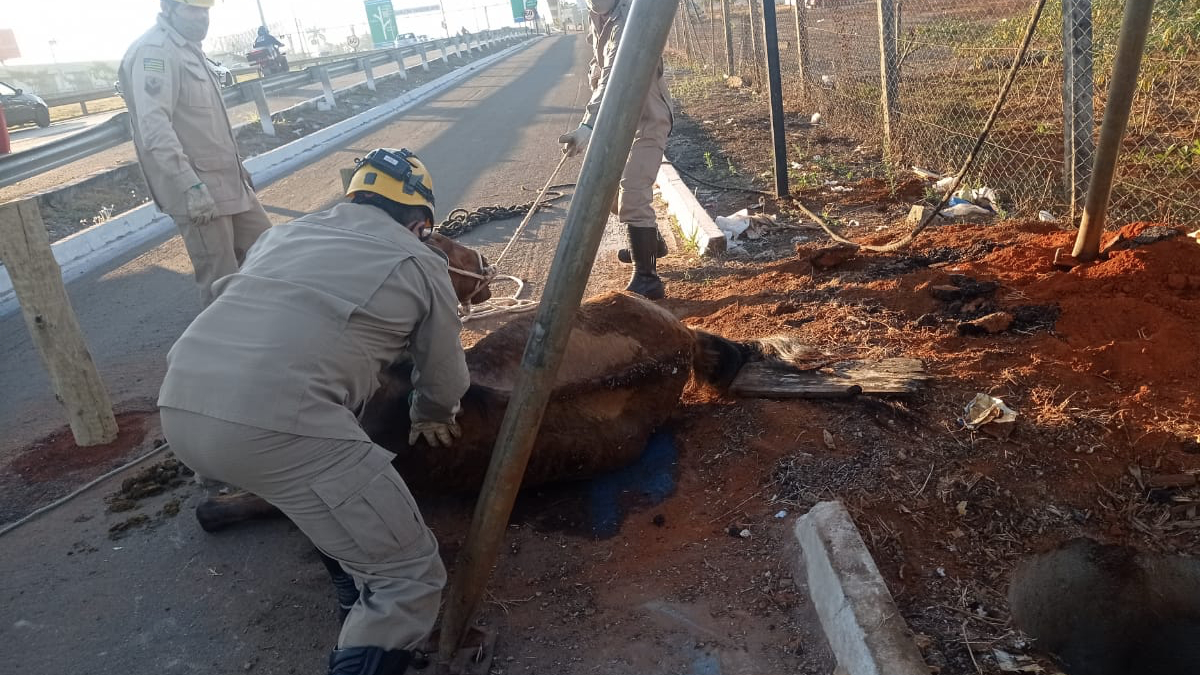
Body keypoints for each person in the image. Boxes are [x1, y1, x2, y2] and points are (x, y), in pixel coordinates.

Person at [158, 148, 469, 675]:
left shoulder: (282, 235)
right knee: (408, 577)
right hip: (278, 427)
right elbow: (443, 374)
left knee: (321, 494)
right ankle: (374, 625)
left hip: (179, 409)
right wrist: (432, 414)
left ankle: (351, 596)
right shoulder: (420, 261)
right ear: (419, 223)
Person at [120, 0, 271, 306]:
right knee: (223, 284)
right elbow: (154, 127)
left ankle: (268, 336)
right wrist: (190, 186)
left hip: (229, 183)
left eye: (206, 10)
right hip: (199, 191)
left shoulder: (189, 49)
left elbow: (206, 125)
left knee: (272, 253)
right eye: (193, 10)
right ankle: (225, 350)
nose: (202, 18)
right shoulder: (156, 51)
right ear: (169, 9)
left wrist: (239, 170)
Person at [559, 0, 672, 300]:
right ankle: (652, 243)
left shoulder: (628, 16)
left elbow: (614, 70)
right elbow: (598, 65)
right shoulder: (597, 15)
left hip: (648, 119)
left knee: (633, 189)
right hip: (619, 121)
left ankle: (647, 278)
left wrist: (588, 124)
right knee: (608, 190)